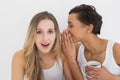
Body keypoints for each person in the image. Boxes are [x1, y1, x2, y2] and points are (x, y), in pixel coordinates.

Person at [62, 4, 120, 80]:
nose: (67, 30)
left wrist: (112, 78)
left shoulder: (115, 50)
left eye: (71, 25)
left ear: (89, 28)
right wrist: (71, 60)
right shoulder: (73, 51)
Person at [12, 11, 73, 80]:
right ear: (32, 34)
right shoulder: (20, 57)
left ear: (56, 34)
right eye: (39, 32)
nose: (45, 38)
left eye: (50, 32)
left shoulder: (62, 54)